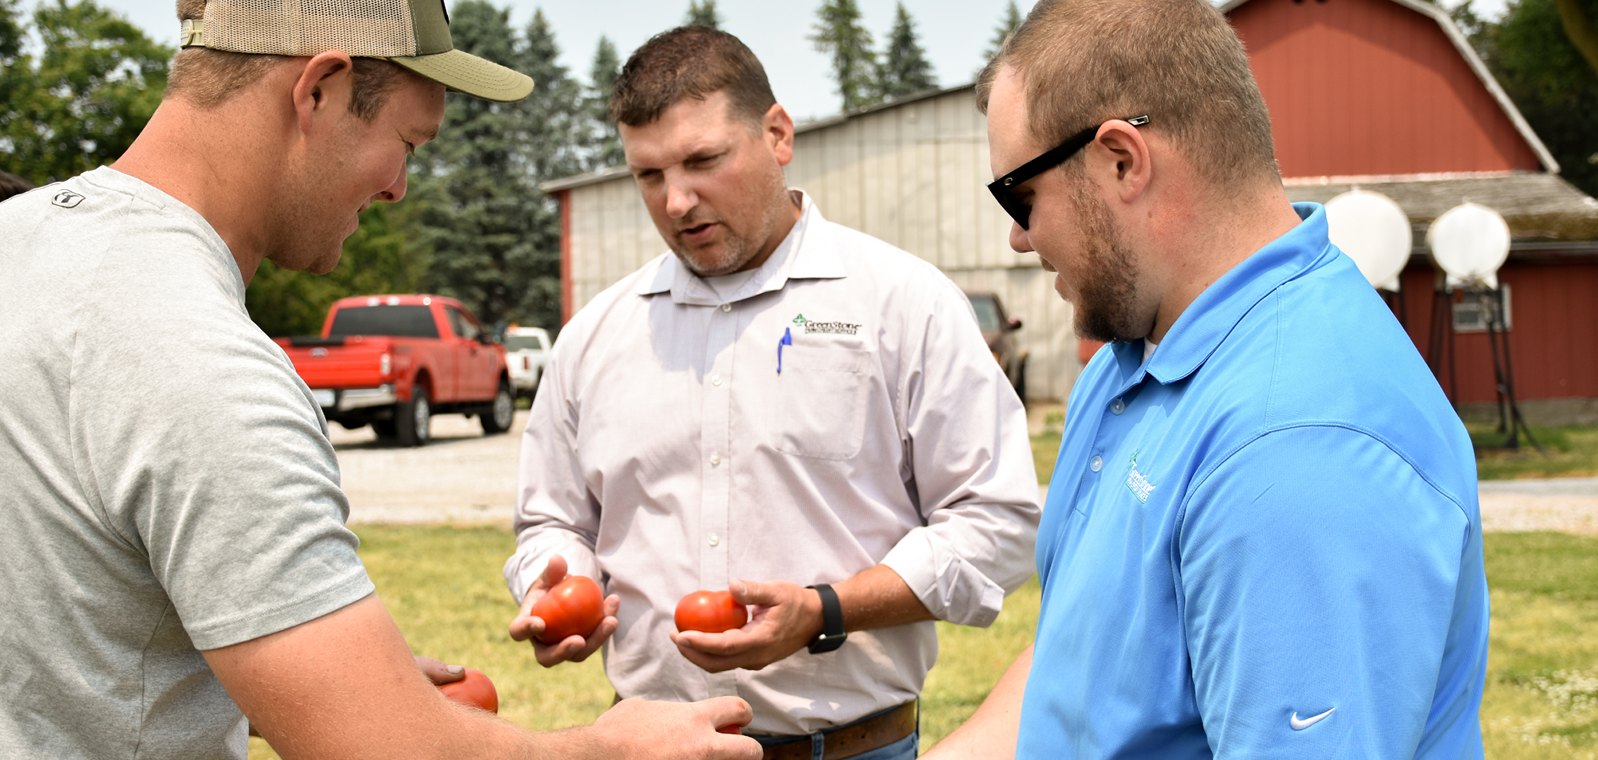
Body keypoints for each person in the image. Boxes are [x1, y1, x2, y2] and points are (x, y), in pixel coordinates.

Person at [0, 1, 758, 759]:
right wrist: (610, 749)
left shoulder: (22, 244)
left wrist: (293, 684)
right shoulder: (204, 365)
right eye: (408, 142)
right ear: (320, 88)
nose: (399, 188)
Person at [925, 1, 1489, 757]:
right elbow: (1084, 666)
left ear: (1121, 159)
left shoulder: (1293, 441)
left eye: (1019, 196)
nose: (1018, 238)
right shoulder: (1135, 358)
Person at [503, 26, 1041, 760]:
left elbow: (999, 524)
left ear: (778, 134)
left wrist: (826, 610)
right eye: (648, 176)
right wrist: (551, 583)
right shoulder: (596, 336)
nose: (677, 200)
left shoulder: (902, 303)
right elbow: (551, 521)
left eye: (703, 160)